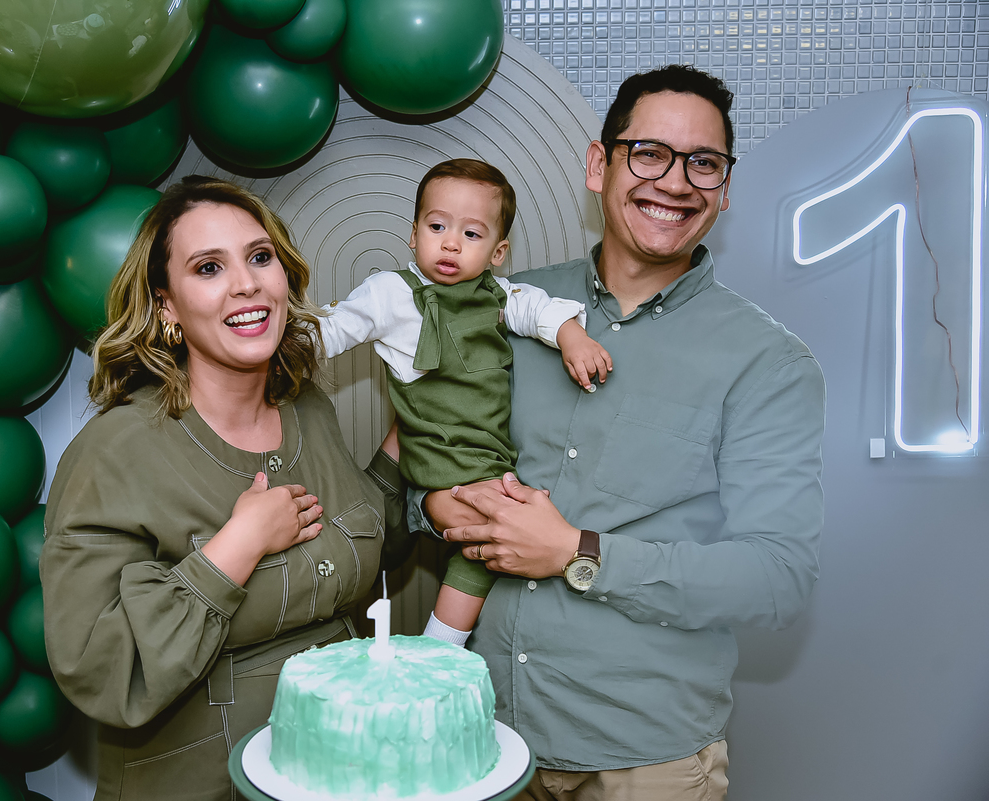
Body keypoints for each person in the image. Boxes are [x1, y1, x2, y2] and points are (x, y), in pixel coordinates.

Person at [417, 66, 826, 800]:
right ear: (598, 164)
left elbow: (777, 579)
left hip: (645, 763)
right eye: (648, 153)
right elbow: (415, 460)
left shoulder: (769, 362)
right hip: (480, 739)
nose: (675, 181)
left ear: (724, 189)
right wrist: (431, 504)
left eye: (703, 163)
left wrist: (578, 553)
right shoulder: (497, 308)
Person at [40, 175, 410, 801]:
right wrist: (239, 545)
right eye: (209, 268)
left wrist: (416, 431)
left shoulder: (309, 408)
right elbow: (102, 671)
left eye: (259, 257)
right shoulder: (113, 453)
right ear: (166, 307)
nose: (246, 283)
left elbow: (364, 540)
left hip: (337, 775)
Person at [317, 158, 612, 646]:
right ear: (413, 235)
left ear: (498, 251)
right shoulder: (392, 293)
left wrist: (570, 335)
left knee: (486, 548)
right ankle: (441, 651)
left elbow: (536, 307)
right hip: (439, 456)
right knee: (491, 538)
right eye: (437, 227)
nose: (451, 242)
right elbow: (335, 329)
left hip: (488, 460)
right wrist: (273, 350)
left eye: (472, 235)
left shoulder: (496, 294)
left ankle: (436, 650)